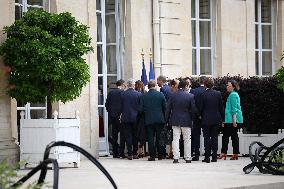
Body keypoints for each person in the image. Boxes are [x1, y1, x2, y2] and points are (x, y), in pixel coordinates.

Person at [166, 79, 197, 163]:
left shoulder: (172, 95)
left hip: (175, 120)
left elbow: (168, 109)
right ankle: (188, 157)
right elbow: (193, 110)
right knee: (187, 139)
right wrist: (192, 119)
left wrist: (166, 120)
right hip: (186, 120)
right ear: (185, 86)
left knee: (175, 139)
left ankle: (176, 157)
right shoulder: (190, 96)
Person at [140, 80, 166, 161]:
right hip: (159, 119)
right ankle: (160, 155)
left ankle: (152, 156)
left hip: (149, 119)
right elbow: (165, 107)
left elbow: (140, 109)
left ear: (148, 86)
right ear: (155, 86)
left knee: (151, 138)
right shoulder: (160, 94)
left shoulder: (144, 96)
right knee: (159, 137)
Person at [200, 77, 224, 163]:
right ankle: (214, 157)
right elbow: (221, 108)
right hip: (216, 119)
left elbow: (200, 108)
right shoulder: (218, 94)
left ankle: (207, 157)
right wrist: (222, 119)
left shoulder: (203, 94)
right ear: (213, 84)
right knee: (214, 138)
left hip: (206, 119)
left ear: (205, 84)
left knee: (206, 138)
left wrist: (200, 115)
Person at [219, 80, 243, 160]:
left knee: (226, 136)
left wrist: (234, 120)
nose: (227, 87)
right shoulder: (234, 94)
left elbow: (234, 109)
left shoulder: (233, 95)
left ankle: (224, 153)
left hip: (230, 120)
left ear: (233, 87)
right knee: (234, 136)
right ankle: (235, 153)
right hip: (231, 119)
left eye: (228, 85)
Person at [120, 79, 142, 160]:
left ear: (127, 85)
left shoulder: (123, 94)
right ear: (133, 85)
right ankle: (135, 153)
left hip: (125, 118)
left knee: (128, 136)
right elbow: (140, 108)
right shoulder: (138, 94)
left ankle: (130, 154)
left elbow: (121, 107)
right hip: (135, 118)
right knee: (135, 136)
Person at [105, 79, 125, 158]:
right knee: (122, 135)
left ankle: (115, 153)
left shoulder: (111, 93)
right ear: (122, 85)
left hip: (112, 117)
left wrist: (110, 112)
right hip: (120, 117)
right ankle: (121, 152)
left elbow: (107, 105)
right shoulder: (123, 93)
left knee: (114, 135)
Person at [190, 76, 206, 161]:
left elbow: (193, 105)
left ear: (199, 82)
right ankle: (207, 154)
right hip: (206, 116)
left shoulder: (193, 91)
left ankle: (196, 154)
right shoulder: (207, 91)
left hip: (196, 116)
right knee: (207, 135)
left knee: (196, 135)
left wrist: (198, 113)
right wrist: (202, 114)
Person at [157, 75, 170, 158]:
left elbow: (163, 103)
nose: (157, 82)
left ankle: (162, 152)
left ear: (161, 81)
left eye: (158, 81)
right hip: (169, 113)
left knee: (162, 134)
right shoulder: (169, 88)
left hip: (164, 114)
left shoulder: (163, 89)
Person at [135, 80, 146, 158]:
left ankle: (140, 151)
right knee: (142, 134)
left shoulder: (138, 93)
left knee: (138, 134)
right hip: (142, 117)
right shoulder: (144, 93)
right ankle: (142, 151)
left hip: (138, 116)